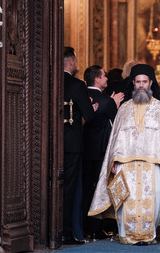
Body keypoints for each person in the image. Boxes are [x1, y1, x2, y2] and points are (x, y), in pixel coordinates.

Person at [88, 64, 160, 245]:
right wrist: (114, 161)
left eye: (144, 82)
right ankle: (127, 235)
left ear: (150, 83)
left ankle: (149, 235)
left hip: (153, 163)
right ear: (133, 83)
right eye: (138, 82)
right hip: (126, 163)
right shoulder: (124, 109)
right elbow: (116, 137)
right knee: (128, 197)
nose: (141, 85)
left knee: (153, 196)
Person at [82, 65, 124, 240]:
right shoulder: (106, 101)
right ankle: (97, 228)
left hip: (83, 151)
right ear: (97, 79)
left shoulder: (83, 96)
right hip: (101, 152)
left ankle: (83, 227)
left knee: (84, 190)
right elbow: (117, 125)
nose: (107, 78)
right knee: (100, 189)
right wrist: (115, 104)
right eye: (104, 76)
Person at [63, 46, 97, 244]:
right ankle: (67, 231)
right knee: (69, 187)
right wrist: (91, 105)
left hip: (44, 143)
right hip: (72, 144)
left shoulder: (47, 80)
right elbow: (89, 116)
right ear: (72, 62)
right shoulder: (76, 85)